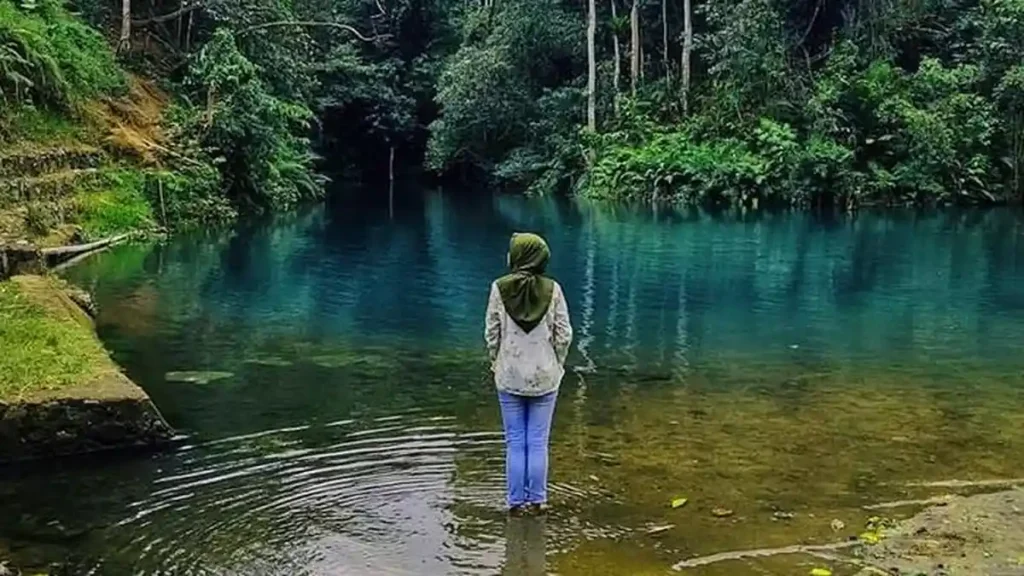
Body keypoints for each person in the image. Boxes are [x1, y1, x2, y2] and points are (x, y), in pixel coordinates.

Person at [485, 232, 573, 514]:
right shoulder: (554, 289)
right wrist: (558, 362)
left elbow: (491, 334)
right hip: (545, 376)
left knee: (514, 441)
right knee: (537, 441)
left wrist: (495, 361)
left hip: (509, 375)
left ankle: (514, 503)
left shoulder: (499, 288)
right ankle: (537, 500)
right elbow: (564, 334)